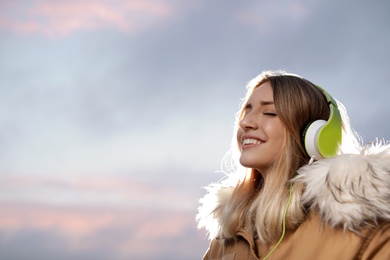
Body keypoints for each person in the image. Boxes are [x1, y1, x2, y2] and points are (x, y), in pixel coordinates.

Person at [197, 70, 390, 259]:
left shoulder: (367, 232)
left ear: (314, 136)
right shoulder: (227, 239)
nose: (246, 122)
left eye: (269, 113)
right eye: (247, 110)